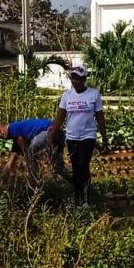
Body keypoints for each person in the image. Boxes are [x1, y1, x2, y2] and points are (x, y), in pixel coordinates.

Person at [49, 66, 108, 205]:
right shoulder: (67, 95)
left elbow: (100, 117)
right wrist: (52, 134)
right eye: (73, 78)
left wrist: (104, 138)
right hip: (71, 137)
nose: (75, 81)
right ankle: (77, 196)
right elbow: (60, 116)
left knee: (83, 164)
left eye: (78, 78)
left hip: (88, 136)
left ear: (84, 79)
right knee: (76, 167)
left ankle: (85, 198)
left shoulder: (93, 94)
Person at [0, 118, 67, 182]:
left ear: (4, 126)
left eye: (0, 132)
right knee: (58, 167)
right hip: (58, 133)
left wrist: (28, 159)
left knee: (30, 154)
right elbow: (10, 162)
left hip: (49, 130)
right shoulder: (17, 136)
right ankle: (75, 181)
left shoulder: (12, 128)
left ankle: (36, 182)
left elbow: (25, 149)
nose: (0, 135)